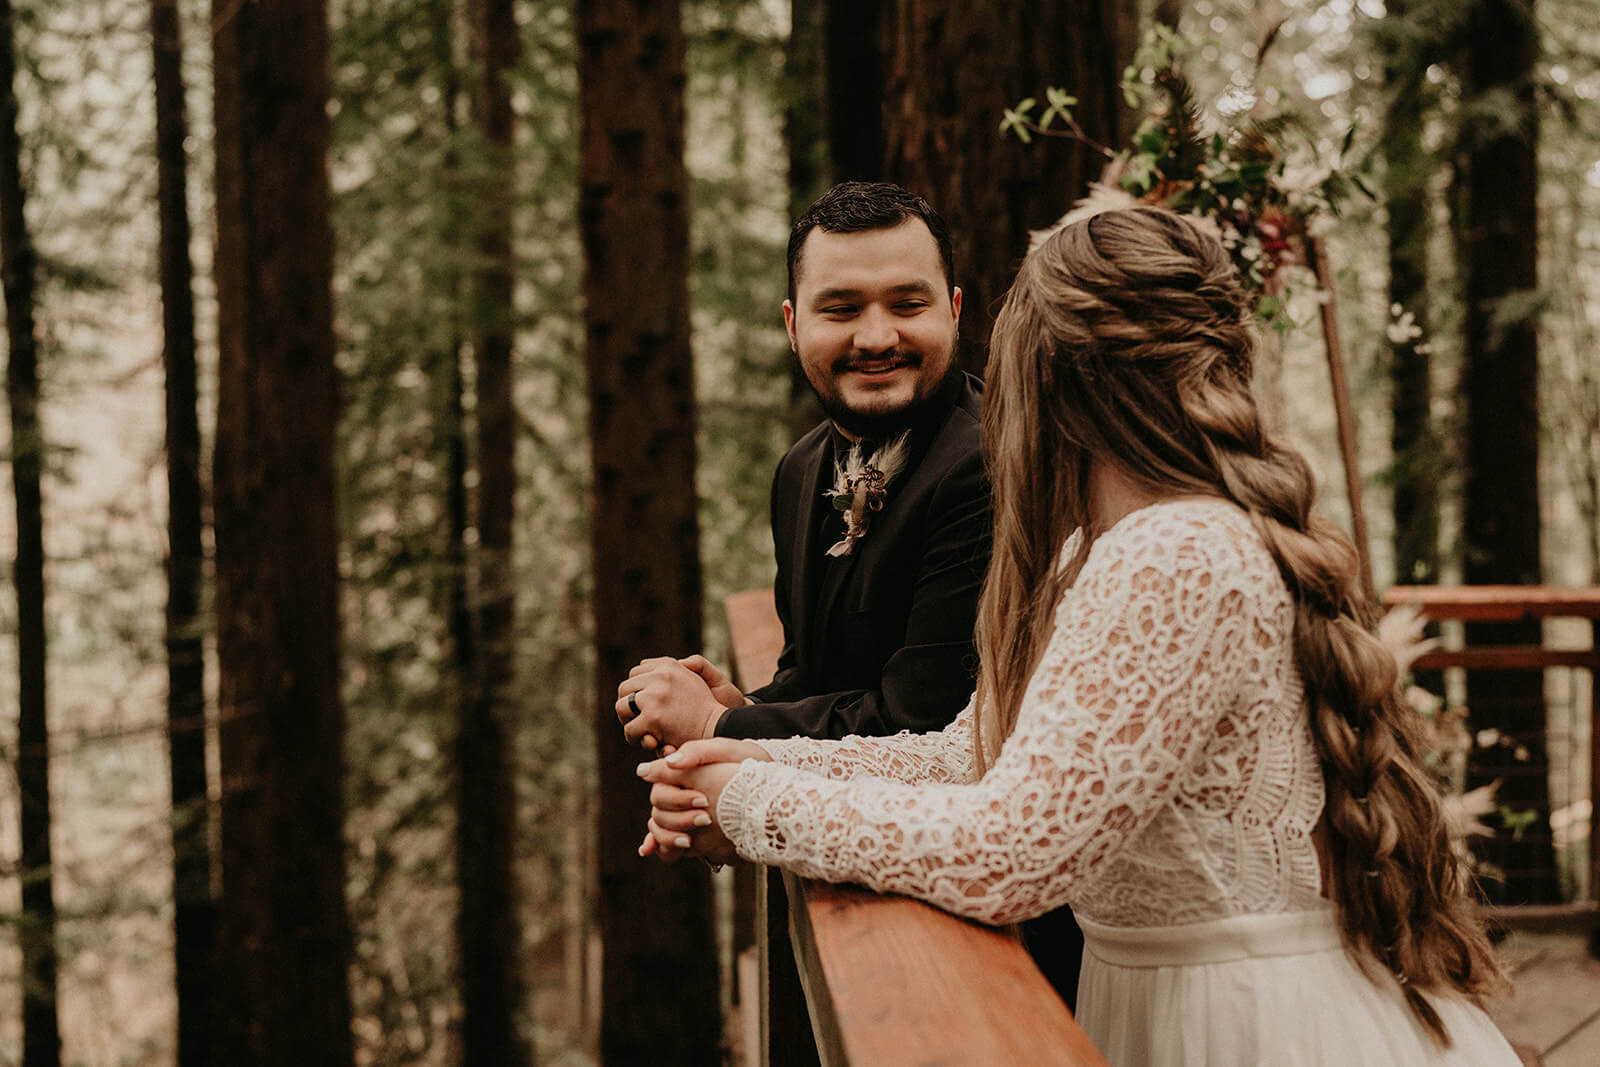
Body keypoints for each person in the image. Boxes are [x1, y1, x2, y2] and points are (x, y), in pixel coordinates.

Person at [639, 207, 1520, 1064]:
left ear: (1048, 379)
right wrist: (732, 767)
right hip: (1149, 999)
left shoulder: (1178, 551)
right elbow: (963, 756)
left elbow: (1009, 854)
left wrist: (750, 807)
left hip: (1245, 1023)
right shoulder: (1086, 556)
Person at [616, 182, 989, 750]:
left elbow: (922, 721)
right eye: (841, 309)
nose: (876, 337)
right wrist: (745, 704)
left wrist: (717, 728)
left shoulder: (985, 466)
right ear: (792, 326)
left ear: (954, 311)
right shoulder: (799, 468)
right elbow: (814, 678)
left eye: (908, 305)